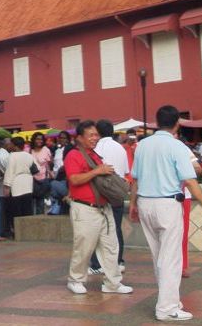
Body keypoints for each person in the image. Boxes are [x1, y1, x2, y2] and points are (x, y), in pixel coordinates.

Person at [130, 105, 202, 322]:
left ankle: (169, 300)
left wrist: (133, 204)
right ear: (177, 123)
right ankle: (167, 307)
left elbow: (135, 178)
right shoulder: (176, 146)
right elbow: (189, 180)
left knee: (159, 256)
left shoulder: (141, 146)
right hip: (167, 205)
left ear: (157, 121)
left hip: (145, 203)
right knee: (171, 258)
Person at [65, 120, 132, 295]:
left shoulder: (94, 155)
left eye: (96, 134)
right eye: (91, 135)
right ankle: (75, 279)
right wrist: (97, 171)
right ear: (79, 138)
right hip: (85, 208)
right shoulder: (73, 155)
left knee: (111, 246)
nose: (95, 138)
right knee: (84, 246)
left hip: (103, 207)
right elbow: (74, 180)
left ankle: (113, 283)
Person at [88, 119, 130, 275]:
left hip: (101, 193)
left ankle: (97, 264)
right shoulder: (120, 148)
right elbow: (125, 171)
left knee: (99, 229)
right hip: (117, 192)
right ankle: (118, 261)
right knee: (116, 228)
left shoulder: (96, 147)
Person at [3, 136, 35, 230]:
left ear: (14, 145)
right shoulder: (29, 155)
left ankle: (17, 230)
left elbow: (9, 172)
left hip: (16, 184)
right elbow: (35, 168)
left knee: (16, 210)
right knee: (27, 209)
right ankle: (28, 229)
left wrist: (6, 187)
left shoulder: (12, 156)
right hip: (28, 183)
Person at [181, 146, 202, 279]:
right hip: (171, 196)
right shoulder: (181, 148)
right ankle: (176, 266)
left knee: (181, 232)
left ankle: (181, 265)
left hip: (180, 196)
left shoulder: (182, 148)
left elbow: (198, 168)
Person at [30, 132, 52, 214]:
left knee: (40, 202)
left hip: (43, 178)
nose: (40, 141)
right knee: (32, 202)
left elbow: (50, 164)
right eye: (37, 139)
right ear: (34, 140)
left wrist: (50, 174)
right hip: (32, 178)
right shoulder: (29, 150)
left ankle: (40, 220)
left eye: (41, 139)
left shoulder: (46, 150)